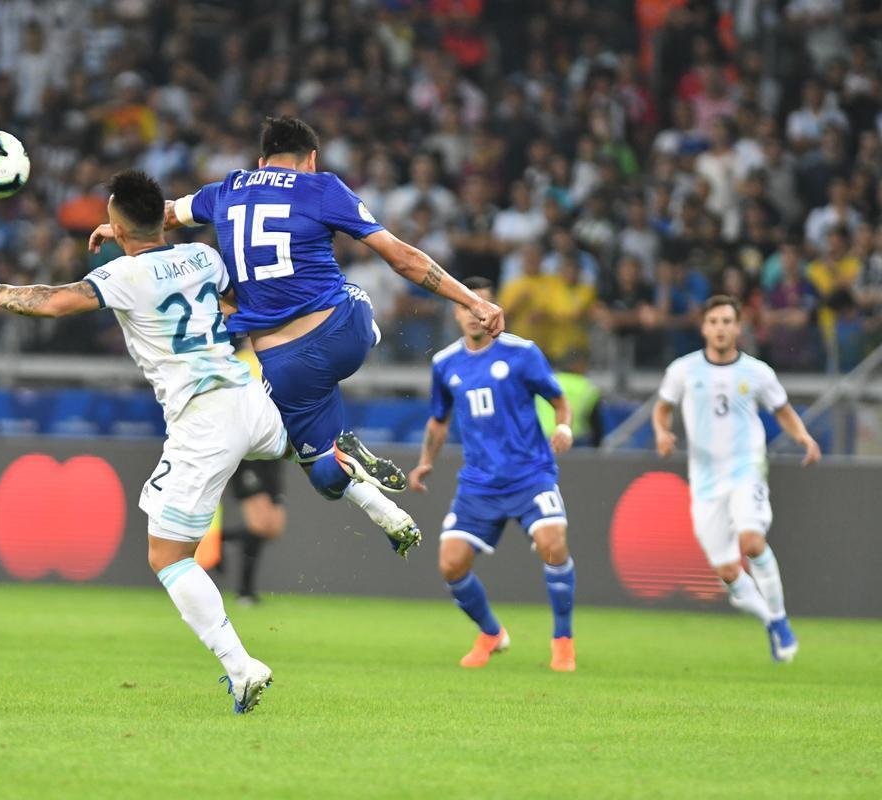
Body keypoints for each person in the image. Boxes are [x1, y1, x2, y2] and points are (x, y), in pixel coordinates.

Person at [0, 170, 284, 714]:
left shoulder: (125, 275)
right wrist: (124, 232)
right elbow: (227, 300)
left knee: (168, 556)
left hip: (201, 417)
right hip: (246, 394)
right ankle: (352, 468)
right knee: (301, 445)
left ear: (119, 225)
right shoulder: (205, 257)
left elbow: (51, 301)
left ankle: (242, 668)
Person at [90, 116, 505, 558]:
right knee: (325, 463)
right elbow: (401, 258)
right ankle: (384, 505)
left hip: (283, 365)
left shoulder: (227, 190)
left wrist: (118, 230)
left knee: (315, 466)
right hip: (344, 333)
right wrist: (471, 301)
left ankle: (352, 467)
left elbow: (166, 214)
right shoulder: (321, 187)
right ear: (311, 158)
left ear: (260, 159)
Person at [409, 278, 579, 673]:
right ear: (455, 311)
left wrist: (564, 427)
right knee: (450, 564)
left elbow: (558, 400)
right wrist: (425, 461)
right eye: (465, 307)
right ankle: (491, 633)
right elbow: (438, 421)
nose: (473, 315)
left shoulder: (522, 353)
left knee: (553, 544)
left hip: (530, 475)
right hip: (479, 483)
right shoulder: (445, 363)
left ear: (494, 311)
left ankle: (563, 642)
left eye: (480, 307)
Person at [653, 295, 821, 663]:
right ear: (704, 327)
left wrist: (803, 437)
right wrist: (662, 433)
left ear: (738, 327)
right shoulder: (683, 370)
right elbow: (662, 408)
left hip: (746, 469)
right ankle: (772, 621)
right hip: (706, 481)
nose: (720, 328)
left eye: (727, 321)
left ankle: (779, 618)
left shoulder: (758, 372)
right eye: (713, 321)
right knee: (728, 571)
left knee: (752, 540)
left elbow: (783, 411)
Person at [223, 341, 287, 605]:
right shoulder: (238, 362)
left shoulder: (279, 358)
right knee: (258, 523)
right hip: (247, 452)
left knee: (273, 527)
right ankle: (245, 592)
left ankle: (216, 541)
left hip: (274, 452)